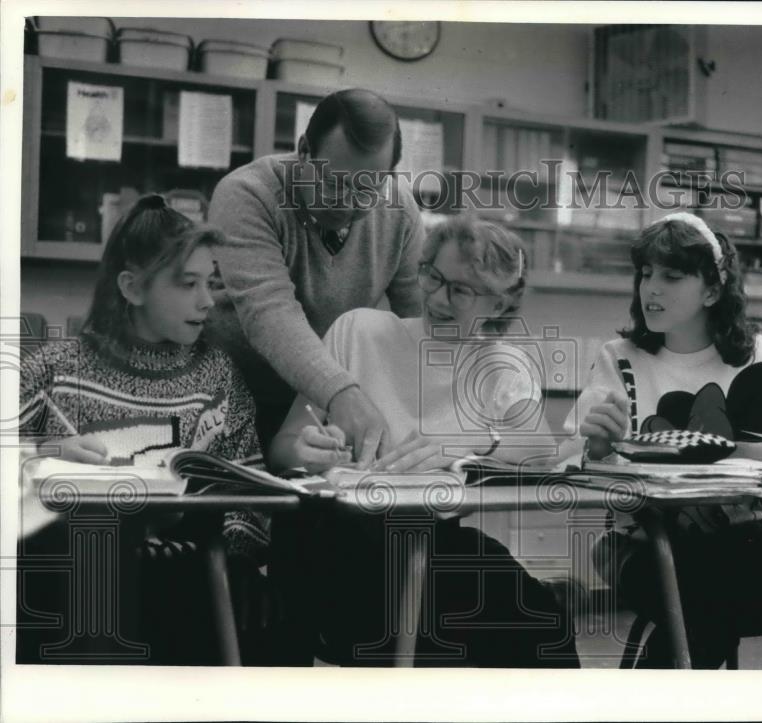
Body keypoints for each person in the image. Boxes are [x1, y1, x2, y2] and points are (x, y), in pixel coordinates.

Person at [571, 212, 762, 669]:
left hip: (745, 540)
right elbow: (571, 456)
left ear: (713, 290)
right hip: (642, 544)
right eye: (645, 274)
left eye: (672, 276)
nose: (650, 288)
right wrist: (597, 447)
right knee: (703, 616)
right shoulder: (618, 360)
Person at [268, 217, 580, 667]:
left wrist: (458, 448)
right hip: (336, 541)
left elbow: (540, 452)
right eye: (432, 274)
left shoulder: (500, 366)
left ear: (499, 303)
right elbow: (283, 447)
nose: (436, 297)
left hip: (431, 545)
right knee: (433, 623)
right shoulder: (359, 331)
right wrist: (305, 450)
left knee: (542, 624)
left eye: (461, 289)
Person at [18, 195, 267, 663]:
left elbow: (250, 486)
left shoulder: (216, 377)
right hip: (68, 579)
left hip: (182, 581)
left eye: (209, 283)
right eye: (187, 284)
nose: (207, 301)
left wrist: (239, 555)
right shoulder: (56, 369)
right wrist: (47, 452)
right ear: (132, 288)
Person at [205, 88, 424, 465]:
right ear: (304, 150)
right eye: (334, 182)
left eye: (366, 189)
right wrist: (343, 394)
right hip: (226, 403)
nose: (348, 203)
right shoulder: (246, 194)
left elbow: (419, 323)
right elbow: (269, 313)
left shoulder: (400, 213)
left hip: (321, 409)